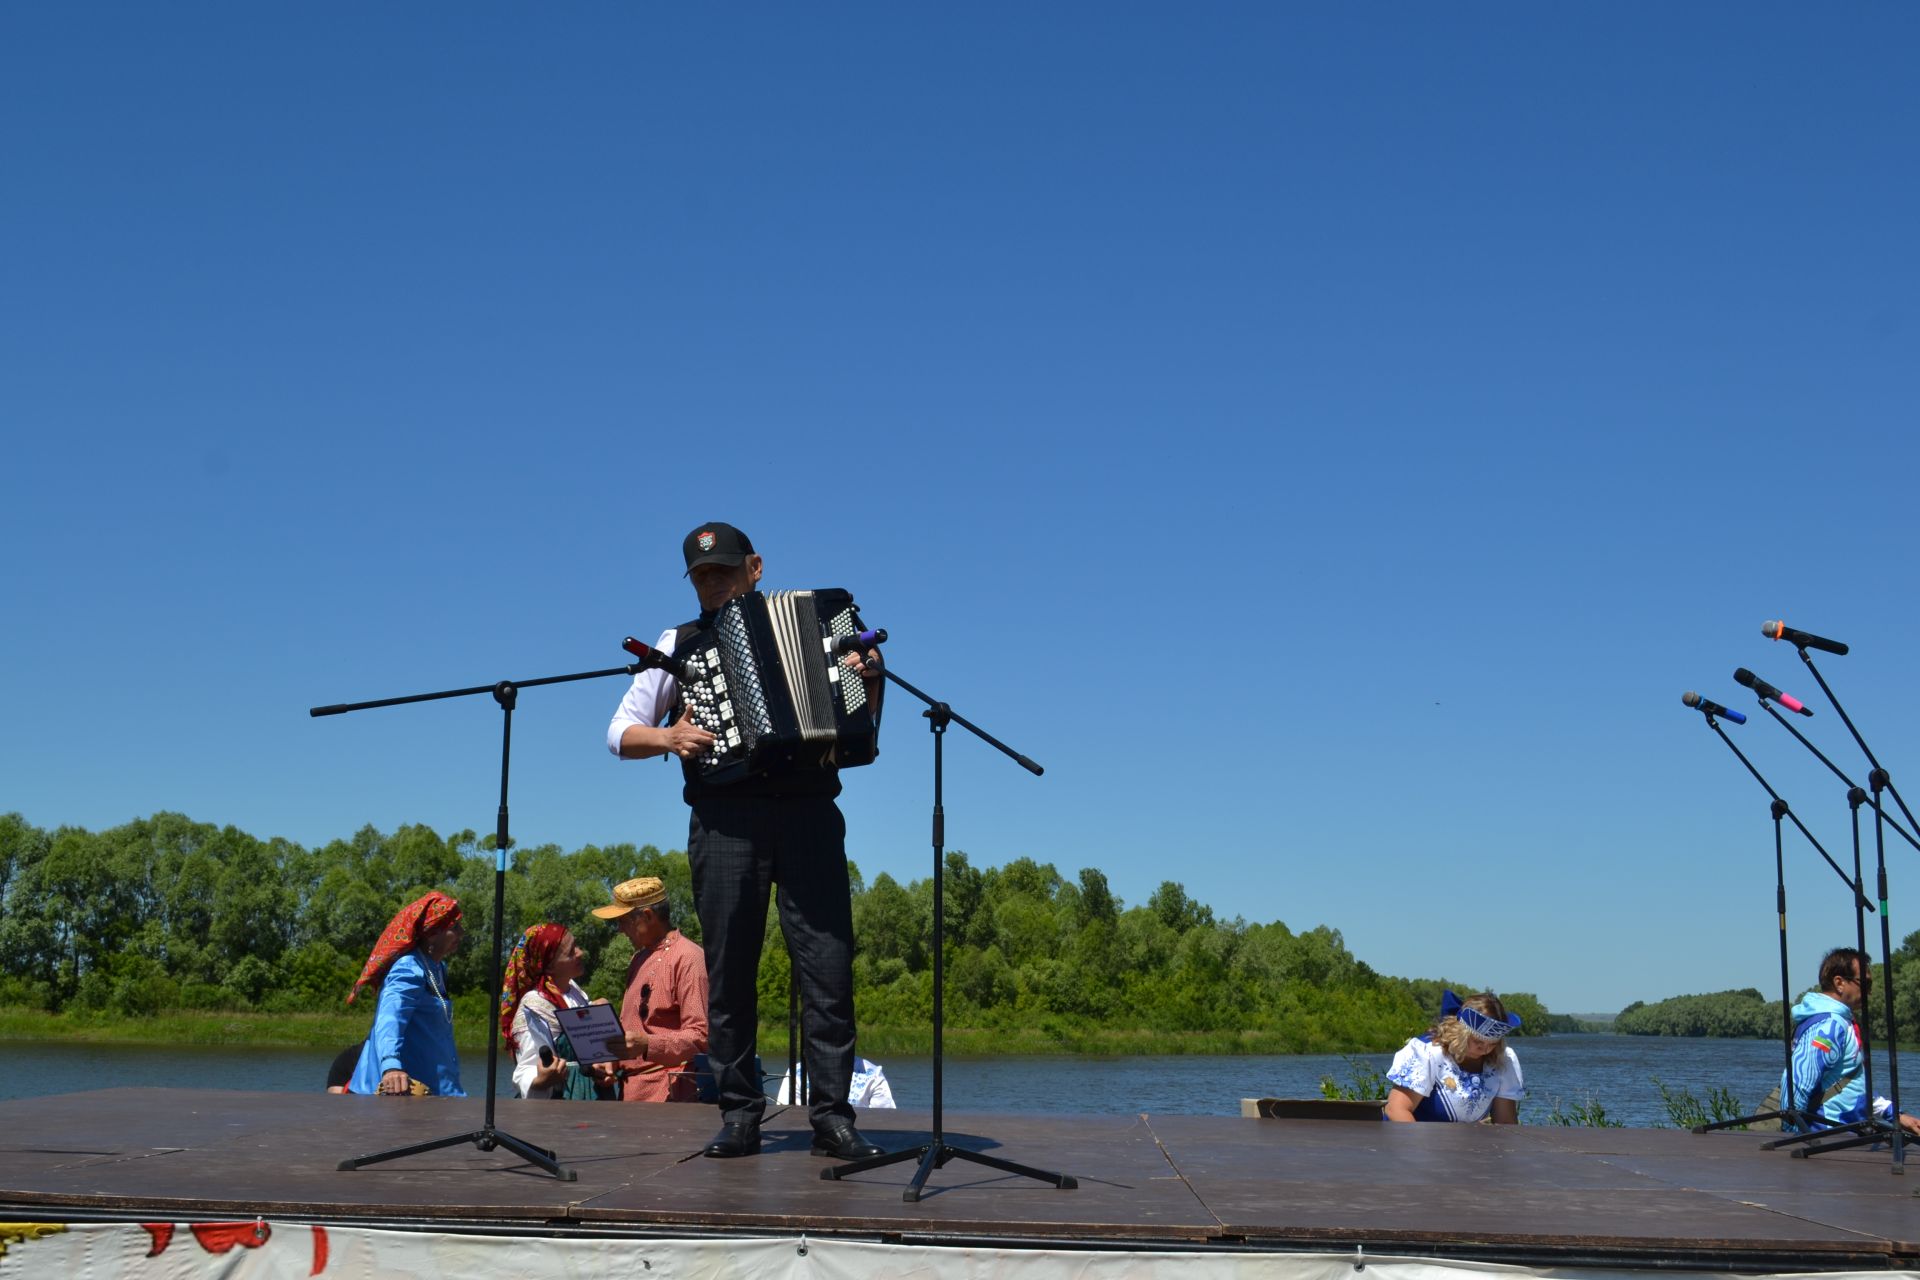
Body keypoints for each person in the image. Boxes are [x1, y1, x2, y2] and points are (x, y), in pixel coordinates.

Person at [606, 521, 886, 1160]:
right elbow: (620, 731)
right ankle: (739, 1114)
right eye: (702, 577)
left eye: (724, 573)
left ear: (755, 568)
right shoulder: (678, 643)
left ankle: (833, 1118)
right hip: (725, 821)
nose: (714, 586)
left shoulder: (824, 620)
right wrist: (668, 737)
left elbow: (858, 734)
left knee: (827, 967)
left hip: (810, 812)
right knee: (730, 969)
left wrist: (868, 679)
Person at [1780, 947, 1920, 1137]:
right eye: (1865, 984)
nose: (1869, 992)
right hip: (1827, 1141)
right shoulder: (1829, 1025)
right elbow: (1796, 1084)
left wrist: (1895, 1114)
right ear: (1839, 983)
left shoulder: (1841, 1022)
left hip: (1843, 1137)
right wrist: (1793, 1138)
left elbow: (1852, 1084)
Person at [593, 876, 709, 1102]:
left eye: (624, 921)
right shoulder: (638, 959)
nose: (620, 930)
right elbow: (636, 1029)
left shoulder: (689, 958)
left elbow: (701, 1036)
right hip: (630, 1096)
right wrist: (611, 1062)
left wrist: (647, 1044)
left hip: (670, 1097)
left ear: (647, 916)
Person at [346, 891, 466, 1097]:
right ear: (432, 933)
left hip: (435, 1091)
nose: (461, 933)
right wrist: (391, 1066)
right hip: (401, 1095)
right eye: (454, 927)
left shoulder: (437, 968)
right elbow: (390, 1016)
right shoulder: (409, 968)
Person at [1384, 990, 1524, 1124]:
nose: (1485, 1049)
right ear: (1461, 1033)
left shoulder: (1502, 1060)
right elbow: (1396, 1110)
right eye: (1478, 1041)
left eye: (1492, 1044)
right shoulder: (1429, 1053)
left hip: (1468, 1146)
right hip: (1412, 1141)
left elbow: (1505, 1122)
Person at [499, 924, 602, 1100]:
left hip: (589, 1095)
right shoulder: (535, 1005)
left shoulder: (574, 991)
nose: (580, 953)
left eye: (576, 945)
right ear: (550, 966)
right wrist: (542, 1080)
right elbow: (526, 1068)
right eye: (570, 952)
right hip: (560, 1103)